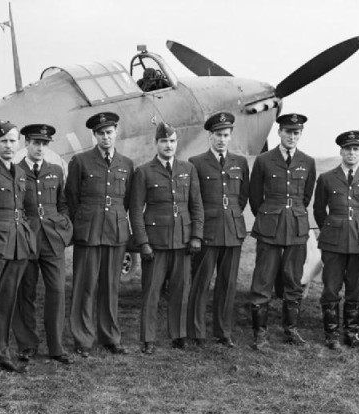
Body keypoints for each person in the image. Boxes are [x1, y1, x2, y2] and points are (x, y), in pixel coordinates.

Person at [129, 122, 204, 354]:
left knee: (181, 291)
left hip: (182, 241)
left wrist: (196, 236)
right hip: (156, 243)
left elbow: (196, 205)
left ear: (176, 143)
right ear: (156, 144)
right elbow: (135, 210)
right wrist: (143, 243)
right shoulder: (144, 171)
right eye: (164, 141)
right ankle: (148, 339)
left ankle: (178, 334)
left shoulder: (187, 169)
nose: (168, 145)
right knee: (151, 292)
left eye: (172, 141)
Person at [65, 112, 134, 356]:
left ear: (116, 133)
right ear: (94, 135)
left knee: (111, 286)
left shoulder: (126, 164)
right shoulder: (81, 161)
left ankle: (110, 337)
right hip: (89, 231)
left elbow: (125, 201)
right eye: (101, 133)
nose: (106, 137)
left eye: (109, 132)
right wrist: (82, 222)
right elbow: (71, 198)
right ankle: (83, 339)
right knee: (85, 287)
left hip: (115, 232)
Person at [247, 113, 316, 350]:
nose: (292, 136)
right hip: (269, 228)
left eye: (296, 132)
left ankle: (291, 330)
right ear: (280, 133)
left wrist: (291, 214)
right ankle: (260, 333)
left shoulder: (308, 162)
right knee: (263, 280)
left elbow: (305, 197)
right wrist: (269, 216)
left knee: (293, 279)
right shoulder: (265, 160)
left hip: (296, 227)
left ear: (300, 134)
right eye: (288, 132)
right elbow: (255, 197)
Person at [186, 112, 249, 348]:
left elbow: (241, 198)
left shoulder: (240, 162)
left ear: (231, 136)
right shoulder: (196, 162)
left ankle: (223, 332)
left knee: (228, 283)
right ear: (209, 137)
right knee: (201, 282)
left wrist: (230, 215)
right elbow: (194, 200)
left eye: (226, 135)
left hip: (232, 230)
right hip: (207, 231)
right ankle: (197, 331)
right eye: (218, 135)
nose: (222, 139)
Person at [14, 124, 74, 364]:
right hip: (27, 239)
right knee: (25, 293)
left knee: (57, 292)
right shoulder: (16, 171)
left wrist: (64, 227)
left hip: (52, 240)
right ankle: (27, 344)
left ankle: (56, 347)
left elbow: (63, 204)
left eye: (44, 144)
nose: (40, 148)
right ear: (26, 143)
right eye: (36, 143)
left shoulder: (56, 171)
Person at [313, 131, 359, 349]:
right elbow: (319, 210)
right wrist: (333, 228)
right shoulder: (326, 178)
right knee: (331, 288)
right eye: (348, 149)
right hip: (333, 240)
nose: (351, 153)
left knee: (355, 289)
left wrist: (358, 227)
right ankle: (331, 334)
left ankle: (352, 333)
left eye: (356, 149)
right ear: (341, 151)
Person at [0, 120, 35, 373]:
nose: (9, 146)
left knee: (6, 302)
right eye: (3, 141)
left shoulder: (20, 173)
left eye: (13, 141)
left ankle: (0, 353)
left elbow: (21, 208)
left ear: (19, 143)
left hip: (17, 244)